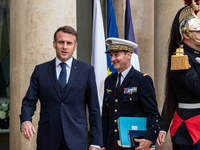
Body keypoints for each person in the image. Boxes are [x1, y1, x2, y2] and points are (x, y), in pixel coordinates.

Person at [19, 25, 103, 150]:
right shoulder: (40, 71)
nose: (64, 46)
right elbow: (28, 101)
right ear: (54, 44)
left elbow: (94, 108)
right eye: (61, 42)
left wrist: (96, 142)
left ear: (75, 47)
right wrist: (26, 120)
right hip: (47, 140)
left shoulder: (87, 71)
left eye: (69, 43)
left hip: (77, 140)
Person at [101, 37, 161, 150]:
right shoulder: (109, 80)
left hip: (134, 144)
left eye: (116, 55)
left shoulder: (142, 80)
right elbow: (106, 116)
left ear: (128, 55)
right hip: (112, 145)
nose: (112, 59)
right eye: (111, 55)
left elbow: (153, 114)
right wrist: (103, 144)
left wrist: (149, 139)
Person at [157, 0, 200, 149]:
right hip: (190, 125)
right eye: (197, 31)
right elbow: (197, 87)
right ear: (186, 34)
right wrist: (163, 126)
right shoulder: (180, 58)